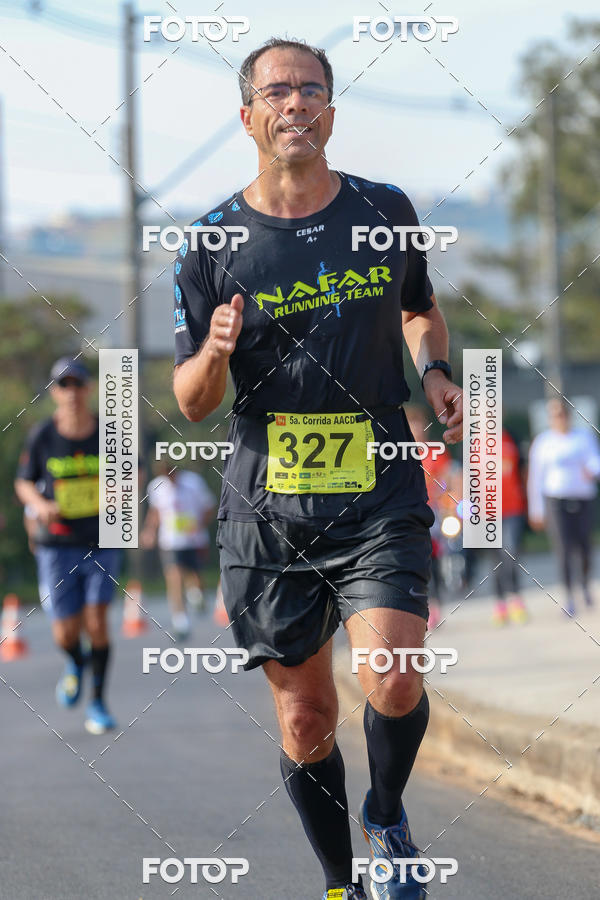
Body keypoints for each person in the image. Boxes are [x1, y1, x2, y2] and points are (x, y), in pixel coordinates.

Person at [172, 38, 463, 900]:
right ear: (248, 115)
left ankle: (385, 814)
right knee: (305, 716)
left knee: (395, 676)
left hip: (377, 489)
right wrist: (217, 353)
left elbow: (421, 311)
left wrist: (436, 373)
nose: (295, 103)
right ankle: (342, 883)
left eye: (311, 90)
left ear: (331, 110)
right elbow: (190, 400)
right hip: (269, 507)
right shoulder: (213, 242)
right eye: (278, 91)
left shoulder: (382, 211)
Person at [14, 357, 120, 734]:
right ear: (54, 393)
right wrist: (40, 505)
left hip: (101, 541)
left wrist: (119, 492)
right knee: (65, 633)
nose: (71, 393)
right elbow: (24, 481)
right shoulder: (43, 435)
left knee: (97, 622)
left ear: (88, 389)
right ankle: (75, 661)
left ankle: (97, 703)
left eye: (77, 384)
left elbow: (132, 471)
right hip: (56, 544)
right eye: (63, 386)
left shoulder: (109, 433)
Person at [528, 397, 600, 616]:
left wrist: (592, 470)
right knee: (563, 549)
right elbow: (535, 477)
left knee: (584, 547)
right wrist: (536, 509)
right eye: (554, 415)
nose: (559, 419)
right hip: (556, 501)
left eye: (562, 414)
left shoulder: (583, 437)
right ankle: (569, 595)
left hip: (581, 498)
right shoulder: (543, 442)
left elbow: (595, 461)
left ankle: (585, 583)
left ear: (568, 416)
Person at [141, 463, 216, 638]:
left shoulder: (194, 482)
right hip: (171, 541)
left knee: (195, 577)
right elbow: (155, 512)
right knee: (174, 577)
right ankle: (181, 621)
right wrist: (150, 531)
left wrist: (199, 525)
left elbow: (209, 507)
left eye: (171, 474)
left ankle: (197, 595)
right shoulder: (156, 487)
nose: (169, 478)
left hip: (194, 539)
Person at [404, 405, 453, 629]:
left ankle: (434, 605)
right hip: (408, 514)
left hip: (432, 513)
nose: (417, 432)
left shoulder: (436, 452)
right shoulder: (399, 453)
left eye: (419, 427)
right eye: (412, 427)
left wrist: (449, 500)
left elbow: (448, 480)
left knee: (433, 560)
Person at [491, 429, 528, 626]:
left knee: (511, 551)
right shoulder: (473, 444)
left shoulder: (510, 438)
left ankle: (515, 598)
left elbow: (523, 472)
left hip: (513, 507)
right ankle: (500, 603)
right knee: (496, 558)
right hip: (487, 511)